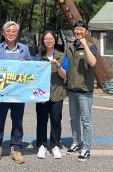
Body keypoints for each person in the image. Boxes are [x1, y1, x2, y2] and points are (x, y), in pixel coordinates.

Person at [0, 21, 32, 165]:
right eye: (8, 31)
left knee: (17, 121)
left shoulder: (24, 49)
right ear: (3, 34)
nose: (11, 33)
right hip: (1, 93)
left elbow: (30, 71)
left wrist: (26, 65)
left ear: (17, 34)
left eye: (14, 31)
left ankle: (16, 148)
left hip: (19, 92)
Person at [61, 21, 98, 162]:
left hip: (84, 90)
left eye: (82, 29)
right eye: (77, 29)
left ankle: (86, 148)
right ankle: (76, 142)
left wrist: (84, 44)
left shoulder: (91, 47)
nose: (79, 31)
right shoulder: (69, 47)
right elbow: (65, 68)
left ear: (86, 32)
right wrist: (58, 66)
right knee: (73, 118)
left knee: (86, 121)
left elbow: (93, 63)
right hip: (72, 89)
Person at [35, 31, 67, 159]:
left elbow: (65, 75)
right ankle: (42, 145)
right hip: (41, 94)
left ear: (55, 40)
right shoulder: (38, 56)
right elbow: (32, 74)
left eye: (51, 38)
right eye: (46, 39)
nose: (48, 41)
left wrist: (59, 67)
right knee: (41, 120)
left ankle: (55, 145)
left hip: (57, 92)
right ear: (43, 41)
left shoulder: (61, 55)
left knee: (56, 120)